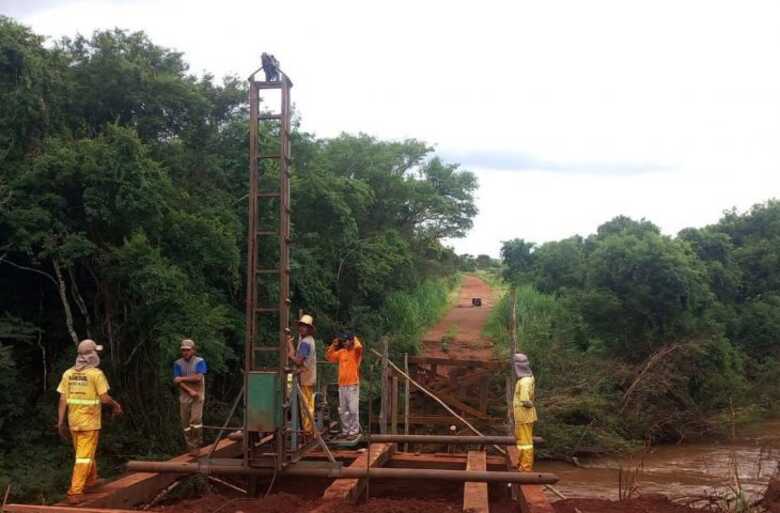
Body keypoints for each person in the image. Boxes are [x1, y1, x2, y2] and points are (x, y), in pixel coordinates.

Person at [57, 339, 122, 504]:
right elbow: (104, 398)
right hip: (89, 423)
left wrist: (60, 422)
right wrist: (116, 405)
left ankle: (92, 480)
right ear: (92, 355)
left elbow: (63, 399)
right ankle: (75, 491)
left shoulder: (68, 373)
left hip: (74, 422)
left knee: (84, 453)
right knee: (83, 457)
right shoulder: (96, 374)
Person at [173, 339, 207, 456]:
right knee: (185, 424)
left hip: (198, 396)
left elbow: (198, 377)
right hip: (184, 396)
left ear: (193, 350)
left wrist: (182, 378)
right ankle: (191, 447)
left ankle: (197, 445)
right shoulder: (178, 363)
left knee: (195, 421)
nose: (185, 352)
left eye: (187, 350)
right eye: (183, 350)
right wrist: (189, 390)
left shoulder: (199, 361)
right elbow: (176, 381)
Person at [325, 332, 363, 440]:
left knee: (353, 409)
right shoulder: (341, 352)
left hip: (352, 385)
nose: (344, 343)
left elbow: (359, 346)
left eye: (346, 340)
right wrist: (333, 345)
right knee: (343, 410)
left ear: (351, 341)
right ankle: (346, 431)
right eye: (344, 341)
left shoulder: (355, 352)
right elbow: (329, 357)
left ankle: (354, 431)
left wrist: (354, 337)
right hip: (342, 385)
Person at [287, 314, 317, 434]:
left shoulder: (305, 343)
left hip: (306, 377)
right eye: (300, 326)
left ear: (309, 329)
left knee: (305, 405)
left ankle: (308, 429)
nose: (301, 328)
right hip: (309, 376)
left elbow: (299, 361)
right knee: (308, 403)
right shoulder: (309, 340)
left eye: (304, 326)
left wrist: (290, 355)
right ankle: (308, 429)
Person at [512, 352, 537, 472]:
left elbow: (525, 400)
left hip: (524, 415)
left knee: (525, 443)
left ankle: (525, 467)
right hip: (523, 415)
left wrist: (530, 405)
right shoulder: (528, 378)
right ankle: (522, 464)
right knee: (522, 440)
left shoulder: (524, 382)